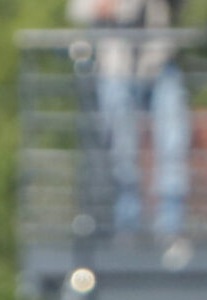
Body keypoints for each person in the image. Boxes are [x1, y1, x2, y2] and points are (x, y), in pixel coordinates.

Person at [70, 0, 191, 241]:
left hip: (160, 63)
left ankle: (170, 229)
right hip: (117, 68)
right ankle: (128, 227)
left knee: (173, 144)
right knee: (123, 149)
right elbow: (79, 9)